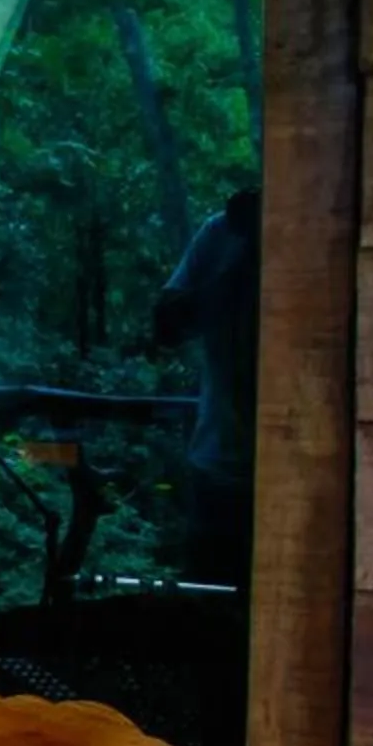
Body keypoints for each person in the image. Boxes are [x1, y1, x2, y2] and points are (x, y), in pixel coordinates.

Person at [153, 187, 260, 588]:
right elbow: (165, 326)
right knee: (205, 606)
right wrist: (243, 257)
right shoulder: (221, 233)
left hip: (302, 473)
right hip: (219, 467)